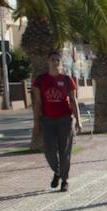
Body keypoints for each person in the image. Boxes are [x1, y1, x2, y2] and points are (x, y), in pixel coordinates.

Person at [32, 51, 82, 192]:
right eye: (52, 59)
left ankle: (64, 180)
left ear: (60, 62)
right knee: (49, 151)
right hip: (47, 121)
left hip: (65, 120)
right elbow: (37, 102)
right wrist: (36, 124)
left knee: (65, 151)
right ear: (48, 62)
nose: (55, 62)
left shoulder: (67, 80)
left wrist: (78, 121)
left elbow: (73, 100)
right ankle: (58, 171)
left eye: (57, 60)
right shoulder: (40, 80)